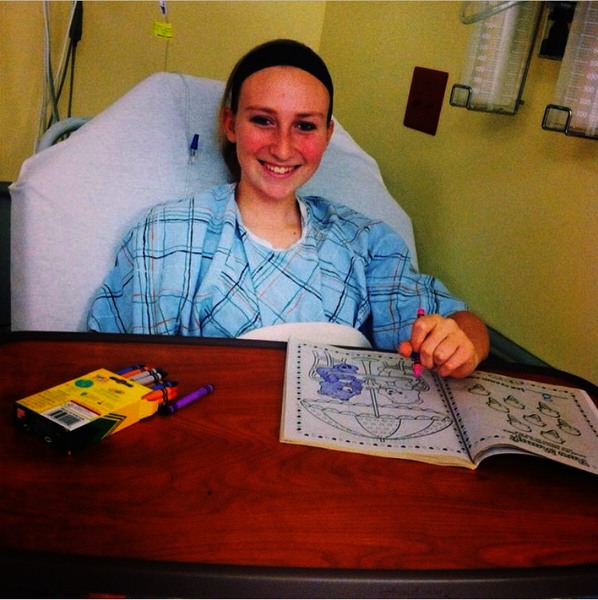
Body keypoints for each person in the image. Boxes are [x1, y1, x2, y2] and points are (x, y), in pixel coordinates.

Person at [88, 39, 489, 378]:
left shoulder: (366, 243)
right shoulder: (167, 235)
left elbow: (463, 323)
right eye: (263, 120)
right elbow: (113, 367)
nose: (282, 148)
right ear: (230, 124)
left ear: (328, 135)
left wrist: (459, 343)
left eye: (305, 125)